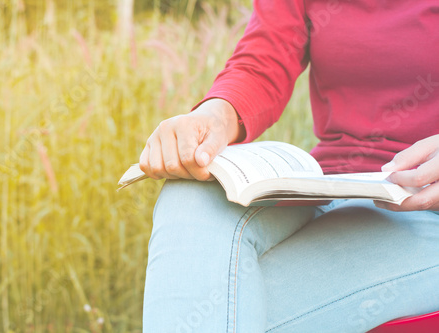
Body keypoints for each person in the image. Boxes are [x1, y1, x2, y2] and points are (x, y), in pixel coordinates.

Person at [138, 0, 439, 332]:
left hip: (425, 209)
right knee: (191, 194)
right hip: (333, 186)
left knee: (211, 310)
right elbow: (265, 58)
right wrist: (214, 116)